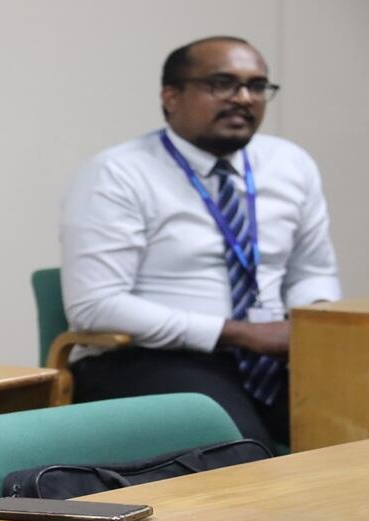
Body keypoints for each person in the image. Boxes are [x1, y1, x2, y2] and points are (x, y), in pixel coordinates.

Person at [59, 36, 341, 453]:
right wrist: (240, 333)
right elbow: (94, 305)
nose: (243, 98)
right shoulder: (118, 173)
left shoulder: (290, 164)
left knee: (354, 421)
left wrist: (314, 325)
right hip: (150, 358)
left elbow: (312, 270)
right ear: (171, 96)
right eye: (222, 84)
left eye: (257, 86)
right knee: (243, 452)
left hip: (275, 358)